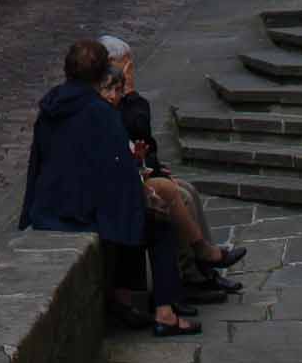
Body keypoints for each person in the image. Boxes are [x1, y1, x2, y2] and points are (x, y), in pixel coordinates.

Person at [20, 39, 201, 336]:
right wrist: (145, 197)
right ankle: (166, 312)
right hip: (76, 211)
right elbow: (118, 172)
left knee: (131, 216)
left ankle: (124, 300)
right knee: (155, 223)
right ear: (100, 73)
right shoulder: (99, 112)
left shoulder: (51, 106)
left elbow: (37, 164)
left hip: (49, 208)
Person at [98, 35, 247, 286]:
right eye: (126, 65)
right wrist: (129, 91)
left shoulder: (117, 96)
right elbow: (137, 129)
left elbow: (143, 143)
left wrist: (154, 166)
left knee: (189, 190)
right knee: (179, 196)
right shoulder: (111, 97)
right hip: (121, 182)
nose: (130, 70)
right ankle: (192, 272)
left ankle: (206, 269)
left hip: (138, 170)